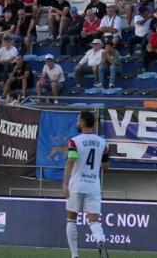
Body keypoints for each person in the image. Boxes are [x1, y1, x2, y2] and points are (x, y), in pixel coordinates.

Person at [63, 110, 109, 258]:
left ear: (82, 122)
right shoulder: (103, 143)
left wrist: (64, 184)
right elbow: (106, 165)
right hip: (93, 185)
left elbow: (70, 162)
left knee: (71, 219)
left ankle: (75, 255)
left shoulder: (74, 141)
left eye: (78, 120)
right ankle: (100, 240)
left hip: (76, 184)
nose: (77, 122)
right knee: (94, 221)